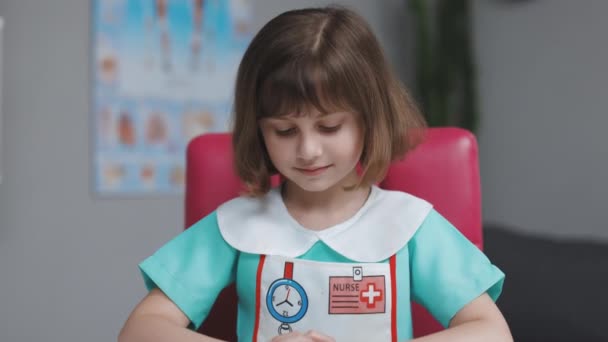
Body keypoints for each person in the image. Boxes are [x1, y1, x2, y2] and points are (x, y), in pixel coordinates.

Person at [119, 6, 512, 342]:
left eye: (329, 127)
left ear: (368, 121)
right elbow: (141, 329)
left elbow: (492, 332)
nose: (308, 151)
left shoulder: (409, 224)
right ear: (259, 130)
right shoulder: (235, 226)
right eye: (285, 131)